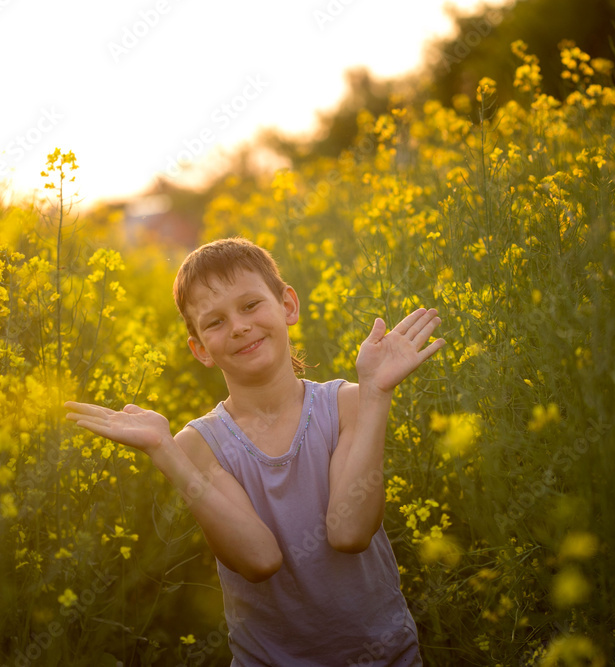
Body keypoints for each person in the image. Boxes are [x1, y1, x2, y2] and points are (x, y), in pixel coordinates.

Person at [64, 237, 445, 665]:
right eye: (214, 323)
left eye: (250, 305)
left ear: (288, 306)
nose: (239, 327)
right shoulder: (197, 445)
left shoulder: (348, 405)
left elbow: (350, 531)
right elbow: (259, 559)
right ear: (200, 350)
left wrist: (376, 394)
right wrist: (164, 451)